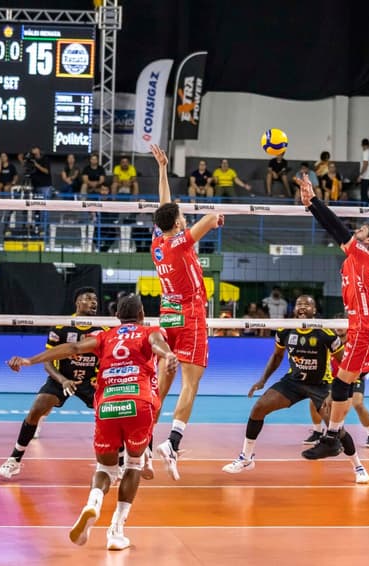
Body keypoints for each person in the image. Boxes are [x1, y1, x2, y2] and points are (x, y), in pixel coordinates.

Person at [6, 295, 177, 550]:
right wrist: (168, 354)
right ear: (142, 315)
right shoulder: (148, 330)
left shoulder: (105, 336)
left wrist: (31, 360)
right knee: (132, 464)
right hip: (138, 404)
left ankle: (93, 504)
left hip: (107, 404)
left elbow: (72, 349)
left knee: (105, 469)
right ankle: (116, 531)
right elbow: (156, 343)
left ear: (117, 316)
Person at [222, 296, 369, 483]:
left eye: (307, 304)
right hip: (293, 382)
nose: (302, 307)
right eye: (299, 304)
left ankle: (358, 466)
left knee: (336, 428)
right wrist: (262, 381)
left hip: (321, 385)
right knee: (259, 408)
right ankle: (246, 457)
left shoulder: (325, 333)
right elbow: (276, 356)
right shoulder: (285, 330)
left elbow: (344, 364)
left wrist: (334, 392)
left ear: (314, 311)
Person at [149, 144, 224, 480]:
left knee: (161, 385)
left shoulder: (158, 243)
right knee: (190, 384)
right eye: (180, 216)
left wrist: (163, 169)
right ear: (178, 222)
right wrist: (216, 219)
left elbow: (164, 208)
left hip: (168, 316)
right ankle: (173, 443)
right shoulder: (180, 242)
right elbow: (208, 218)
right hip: (190, 314)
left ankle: (143, 443)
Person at [297, 175, 369, 460]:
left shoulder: (363, 254)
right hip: (365, 328)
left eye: (361, 230)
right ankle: (335, 437)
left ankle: (333, 438)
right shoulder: (354, 261)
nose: (356, 232)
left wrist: (312, 203)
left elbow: (336, 228)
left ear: (367, 240)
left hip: (366, 328)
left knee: (342, 385)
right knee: (343, 386)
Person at [0, 288, 104, 479]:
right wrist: (63, 381)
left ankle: (120, 463)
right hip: (61, 378)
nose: (94, 302)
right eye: (88, 299)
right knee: (38, 406)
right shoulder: (61, 327)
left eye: (95, 299)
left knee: (112, 412)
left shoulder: (104, 328)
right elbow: (48, 362)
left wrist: (101, 380)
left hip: (90, 381)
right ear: (78, 303)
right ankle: (14, 460)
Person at [306, 312, 369, 449]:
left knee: (357, 403)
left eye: (342, 324)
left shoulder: (356, 341)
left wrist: (359, 374)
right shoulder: (330, 340)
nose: (339, 327)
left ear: (348, 325)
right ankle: (317, 432)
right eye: (337, 324)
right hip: (334, 379)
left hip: (354, 376)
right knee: (314, 399)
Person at [357, 138, 369, 205]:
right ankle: (364, 208)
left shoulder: (365, 152)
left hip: (366, 176)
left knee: (363, 193)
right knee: (364, 193)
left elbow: (365, 165)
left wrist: (360, 176)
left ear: (362, 145)